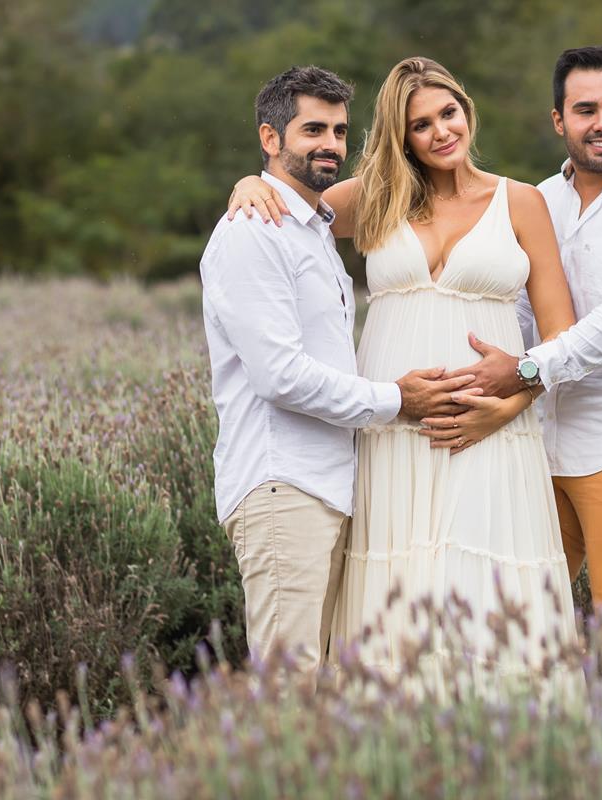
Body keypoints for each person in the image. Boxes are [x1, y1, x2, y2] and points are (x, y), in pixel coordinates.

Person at [228, 57, 583, 690]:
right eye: (420, 124)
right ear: (401, 136)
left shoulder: (521, 203)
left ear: (467, 110)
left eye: (449, 113)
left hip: (493, 434)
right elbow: (288, 203)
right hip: (392, 433)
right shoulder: (372, 199)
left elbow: (561, 336)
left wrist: (508, 405)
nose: (441, 132)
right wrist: (244, 186)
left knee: (484, 595)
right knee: (399, 595)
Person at [441, 45, 602, 713]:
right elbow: (520, 310)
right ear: (558, 120)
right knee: (519, 618)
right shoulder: (540, 201)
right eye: (585, 109)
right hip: (539, 445)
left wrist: (527, 371)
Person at [200, 66, 475, 676]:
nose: (329, 144)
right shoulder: (254, 233)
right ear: (271, 140)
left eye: (339, 131)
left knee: (320, 690)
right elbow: (279, 377)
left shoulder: (312, 230)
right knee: (286, 690)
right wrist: (396, 400)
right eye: (312, 130)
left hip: (328, 486)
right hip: (282, 488)